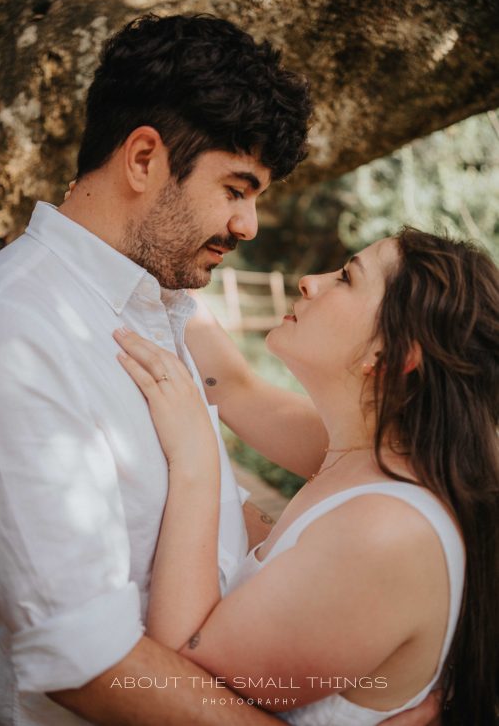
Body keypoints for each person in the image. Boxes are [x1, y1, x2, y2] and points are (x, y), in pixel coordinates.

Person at [0, 12, 440, 726]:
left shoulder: (160, 303)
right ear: (144, 159)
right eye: (236, 189)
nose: (248, 226)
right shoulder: (21, 333)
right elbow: (89, 667)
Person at [114, 227, 499, 726]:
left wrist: (196, 463)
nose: (310, 282)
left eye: (347, 278)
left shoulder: (386, 531)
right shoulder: (364, 451)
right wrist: (154, 237)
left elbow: (180, 679)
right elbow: (232, 387)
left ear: (390, 355)